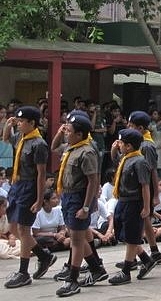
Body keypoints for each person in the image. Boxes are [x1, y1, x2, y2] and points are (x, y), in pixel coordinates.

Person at [3, 106, 57, 289]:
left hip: (29, 187)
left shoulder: (38, 144)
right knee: (13, 227)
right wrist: (7, 126)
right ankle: (43, 255)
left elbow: (41, 174)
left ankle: (23, 272)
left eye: (21, 121)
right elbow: (5, 139)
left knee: (24, 230)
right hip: (17, 184)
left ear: (32, 123)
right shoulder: (21, 137)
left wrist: (39, 199)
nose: (18, 124)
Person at [53, 114, 107, 296]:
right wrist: (60, 133)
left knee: (76, 240)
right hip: (68, 196)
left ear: (79, 134)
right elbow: (53, 147)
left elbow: (92, 181)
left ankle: (73, 279)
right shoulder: (71, 147)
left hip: (79, 197)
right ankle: (96, 268)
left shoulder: (87, 151)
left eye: (69, 131)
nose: (66, 133)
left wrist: (86, 207)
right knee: (79, 237)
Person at [108, 129, 155, 285]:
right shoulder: (126, 158)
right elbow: (116, 163)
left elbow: (145, 186)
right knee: (124, 234)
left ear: (128, 146)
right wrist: (113, 150)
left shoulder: (139, 161)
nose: (119, 145)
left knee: (131, 236)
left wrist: (147, 207)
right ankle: (146, 260)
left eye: (120, 143)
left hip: (134, 202)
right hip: (123, 200)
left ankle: (126, 271)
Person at [124, 111, 161, 264]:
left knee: (139, 221)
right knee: (145, 221)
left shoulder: (146, 146)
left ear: (140, 128)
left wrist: (155, 195)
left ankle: (133, 257)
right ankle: (154, 251)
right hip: (140, 187)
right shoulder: (136, 142)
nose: (128, 127)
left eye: (131, 125)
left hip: (144, 188)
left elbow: (152, 170)